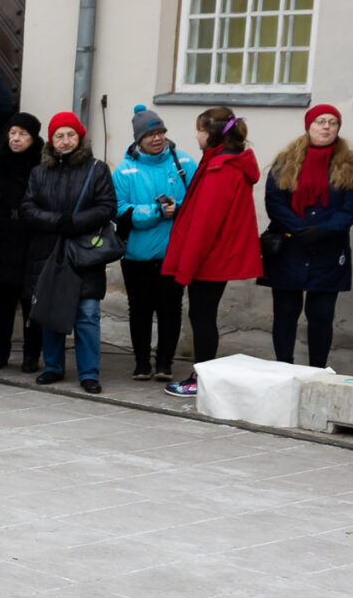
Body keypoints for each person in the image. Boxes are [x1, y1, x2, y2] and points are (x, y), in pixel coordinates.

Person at [161, 108, 263, 397]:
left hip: (209, 259)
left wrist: (186, 266)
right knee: (202, 315)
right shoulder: (218, 162)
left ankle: (202, 378)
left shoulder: (221, 168)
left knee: (202, 317)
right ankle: (203, 375)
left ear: (213, 134)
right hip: (213, 257)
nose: (196, 135)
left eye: (200, 130)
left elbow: (207, 223)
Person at [263, 105, 353, 368]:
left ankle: (317, 369)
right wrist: (299, 229)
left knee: (321, 314)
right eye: (320, 121)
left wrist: (322, 230)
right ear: (309, 126)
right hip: (290, 247)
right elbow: (275, 201)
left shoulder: (350, 164)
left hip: (328, 249)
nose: (326, 127)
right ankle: (283, 366)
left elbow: (352, 206)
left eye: (333, 122)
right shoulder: (285, 161)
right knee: (285, 313)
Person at [19, 112, 117, 393]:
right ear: (51, 140)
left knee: (87, 315)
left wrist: (74, 222)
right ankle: (53, 367)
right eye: (59, 136)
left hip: (83, 254)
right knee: (50, 312)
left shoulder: (96, 169)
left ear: (80, 138)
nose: (65, 141)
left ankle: (89, 373)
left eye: (70, 135)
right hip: (49, 252)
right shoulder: (39, 172)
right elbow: (27, 208)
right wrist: (54, 221)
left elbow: (107, 206)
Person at [112, 108, 195, 382]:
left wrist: (178, 207)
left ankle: (165, 363)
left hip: (174, 252)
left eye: (160, 132)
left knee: (171, 308)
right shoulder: (125, 170)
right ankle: (141, 363)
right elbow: (119, 209)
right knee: (140, 309)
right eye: (150, 134)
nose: (157, 138)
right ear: (138, 138)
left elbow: (199, 201)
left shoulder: (183, 162)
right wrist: (155, 212)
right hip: (137, 253)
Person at [0, 115, 43, 372]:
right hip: (2, 237)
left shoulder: (41, 162)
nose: (16, 139)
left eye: (22, 134)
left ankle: (31, 355)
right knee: (3, 300)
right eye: (13, 133)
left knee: (31, 301)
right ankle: (0, 351)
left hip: (31, 238)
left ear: (33, 138)